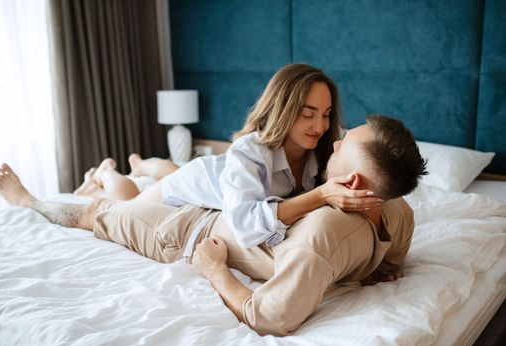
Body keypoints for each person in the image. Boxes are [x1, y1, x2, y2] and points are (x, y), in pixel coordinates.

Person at [0, 115, 427, 336]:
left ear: (350, 183)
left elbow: (270, 317)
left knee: (101, 214)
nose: (334, 138)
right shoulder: (397, 209)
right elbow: (390, 257)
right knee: (157, 182)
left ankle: (35, 199)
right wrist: (377, 268)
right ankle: (123, 171)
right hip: (215, 198)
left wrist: (215, 270)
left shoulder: (320, 239)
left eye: (344, 142)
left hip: (191, 232)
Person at [72, 63, 383, 248]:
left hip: (214, 175)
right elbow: (247, 225)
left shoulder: (329, 144)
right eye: (307, 114)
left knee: (164, 169)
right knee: (126, 203)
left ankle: (143, 164)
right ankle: (104, 174)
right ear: (283, 110)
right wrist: (321, 196)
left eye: (326, 114)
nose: (320, 126)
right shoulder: (251, 150)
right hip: (194, 181)